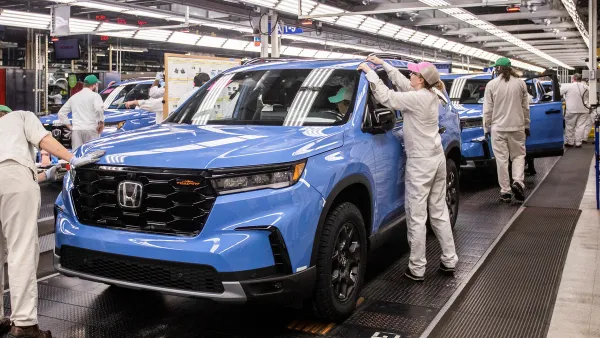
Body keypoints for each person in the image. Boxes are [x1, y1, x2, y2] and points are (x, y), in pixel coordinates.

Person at [0, 105, 104, 338]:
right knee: (21, 249)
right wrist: (72, 158)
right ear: (5, 113)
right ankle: (25, 325)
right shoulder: (20, 116)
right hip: (15, 180)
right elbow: (42, 140)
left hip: (12, 175)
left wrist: (45, 175)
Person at [358, 56, 458, 282]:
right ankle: (450, 260)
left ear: (421, 80)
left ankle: (417, 268)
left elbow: (387, 97)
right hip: (436, 159)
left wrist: (369, 72)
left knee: (416, 215)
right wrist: (382, 64)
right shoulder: (430, 94)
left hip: (421, 163)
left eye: (413, 73)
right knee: (439, 211)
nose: (409, 75)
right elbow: (402, 84)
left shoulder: (418, 98)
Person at [483, 57, 530, 203]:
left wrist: (486, 127)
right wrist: (527, 125)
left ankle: (505, 192)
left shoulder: (491, 85)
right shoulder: (521, 84)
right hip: (517, 126)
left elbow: (487, 109)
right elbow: (525, 108)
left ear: (498, 69)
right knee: (518, 156)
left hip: (498, 128)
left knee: (501, 160)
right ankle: (518, 182)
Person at [58, 75, 105, 150]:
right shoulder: (95, 96)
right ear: (94, 85)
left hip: (76, 130)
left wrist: (70, 127)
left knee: (77, 155)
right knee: (91, 153)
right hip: (91, 129)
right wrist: (101, 122)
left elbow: (61, 113)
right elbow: (99, 109)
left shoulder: (74, 97)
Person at [561, 74, 590, 147]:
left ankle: (570, 142)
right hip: (584, 110)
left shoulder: (568, 86)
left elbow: (558, 93)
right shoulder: (586, 87)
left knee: (570, 126)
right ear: (581, 79)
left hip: (571, 110)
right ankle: (578, 143)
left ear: (573, 78)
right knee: (581, 126)